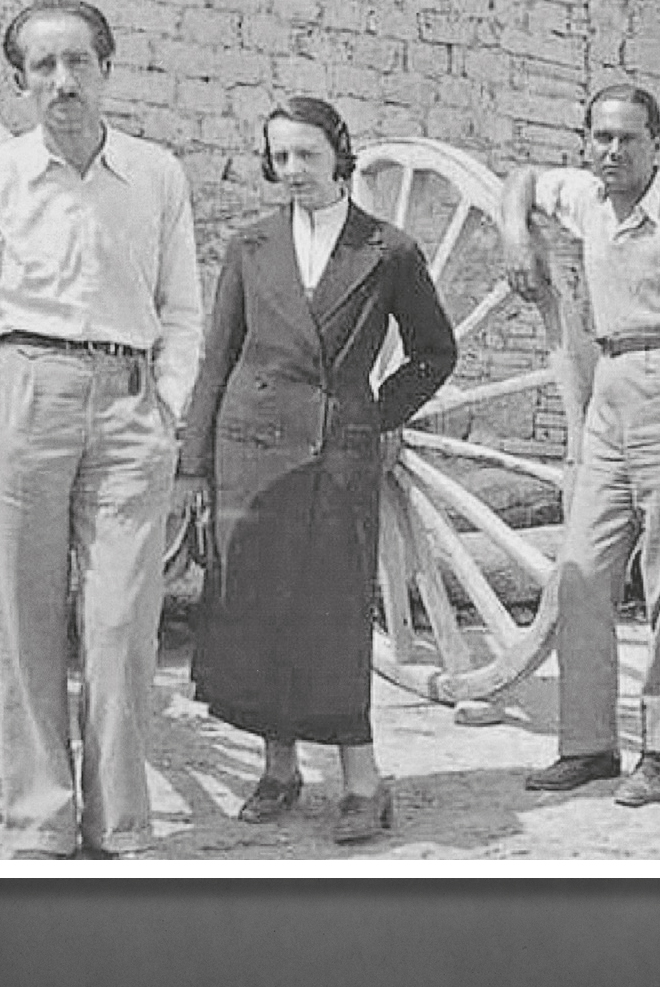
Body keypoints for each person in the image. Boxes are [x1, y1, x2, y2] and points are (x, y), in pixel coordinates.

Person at [0, 0, 203, 858]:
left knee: (119, 621)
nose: (62, 81)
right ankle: (36, 816)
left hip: (128, 402)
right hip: (24, 396)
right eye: (42, 67)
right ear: (20, 83)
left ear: (106, 70)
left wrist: (167, 405)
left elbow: (181, 307)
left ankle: (119, 820)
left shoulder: (156, 174)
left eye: (77, 62)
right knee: (26, 614)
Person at [177, 97, 456, 843]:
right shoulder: (249, 246)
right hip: (252, 453)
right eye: (279, 157)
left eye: (305, 154)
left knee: (331, 615)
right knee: (257, 609)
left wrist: (370, 410)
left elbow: (436, 351)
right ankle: (278, 767)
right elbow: (216, 360)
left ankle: (362, 782)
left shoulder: (387, 250)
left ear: (338, 152)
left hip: (336, 454)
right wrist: (192, 465)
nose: (291, 170)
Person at [498, 83, 660, 806]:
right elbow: (519, 179)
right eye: (600, 137)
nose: (612, 151)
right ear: (586, 142)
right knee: (581, 568)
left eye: (628, 140)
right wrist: (516, 233)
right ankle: (587, 745)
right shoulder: (584, 197)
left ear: (656, 146)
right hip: (609, 383)